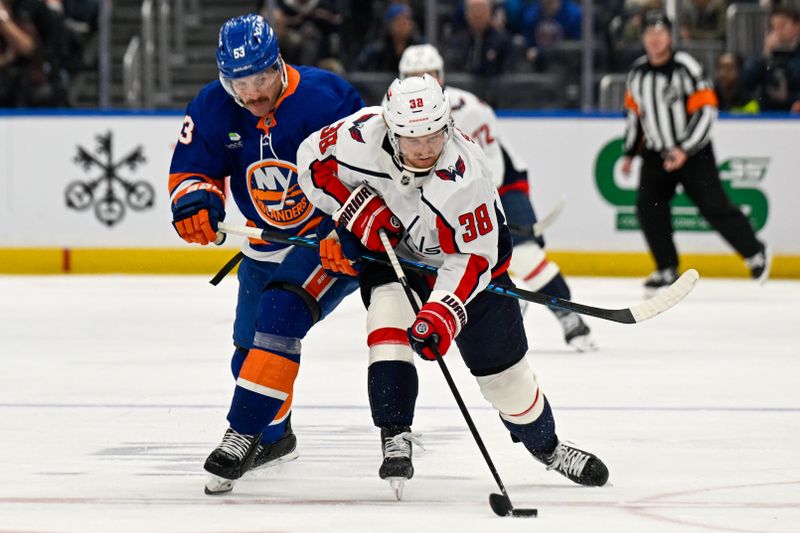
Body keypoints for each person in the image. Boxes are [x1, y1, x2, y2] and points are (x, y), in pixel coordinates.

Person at [296, 74, 609, 496]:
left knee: (506, 382)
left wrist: (441, 312)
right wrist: (354, 208)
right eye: (413, 139)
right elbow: (311, 161)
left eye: (434, 136)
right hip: (396, 256)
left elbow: (473, 258)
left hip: (467, 271)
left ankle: (548, 448)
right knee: (387, 323)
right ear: (390, 129)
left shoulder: (467, 176)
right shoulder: (358, 135)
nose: (426, 149)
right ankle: (395, 432)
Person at [168, 13, 364, 495]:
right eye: (239, 84)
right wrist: (197, 200)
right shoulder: (213, 107)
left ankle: (242, 432)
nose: (252, 95)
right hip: (264, 244)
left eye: (260, 79)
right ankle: (274, 438)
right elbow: (191, 170)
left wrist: (348, 227)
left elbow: (370, 175)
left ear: (279, 64)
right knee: (245, 354)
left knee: (276, 322)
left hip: (329, 244)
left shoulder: (329, 98)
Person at [398, 43, 596, 351]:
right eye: (414, 75)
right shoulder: (393, 114)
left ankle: (569, 316)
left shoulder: (470, 108)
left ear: (442, 76)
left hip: (501, 186)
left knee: (526, 255)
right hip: (441, 196)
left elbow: (492, 167)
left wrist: (473, 206)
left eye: (429, 74)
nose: (422, 82)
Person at [621, 10, 770, 294]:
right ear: (643, 38)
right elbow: (635, 116)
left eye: (660, 33)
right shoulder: (637, 73)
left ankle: (755, 251)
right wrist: (629, 152)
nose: (655, 39)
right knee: (648, 207)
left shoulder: (685, 67)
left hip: (694, 152)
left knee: (714, 206)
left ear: (669, 36)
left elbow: (706, 110)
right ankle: (666, 267)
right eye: (649, 34)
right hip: (656, 153)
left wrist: (685, 148)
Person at [738, 5, 800, 113]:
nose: (777, 31)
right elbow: (746, 83)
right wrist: (765, 54)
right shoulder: (764, 53)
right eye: (774, 27)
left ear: (797, 26)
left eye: (782, 26)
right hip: (768, 113)